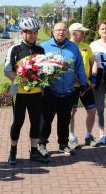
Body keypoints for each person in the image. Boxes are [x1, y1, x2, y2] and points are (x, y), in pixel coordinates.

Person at [38, 22, 88, 158]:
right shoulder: (44, 47)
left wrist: (83, 83)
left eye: (63, 30)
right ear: (53, 31)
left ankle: (63, 144)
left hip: (67, 91)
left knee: (64, 120)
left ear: (67, 32)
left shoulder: (73, 47)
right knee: (46, 120)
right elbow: (37, 66)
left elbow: (79, 66)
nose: (61, 32)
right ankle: (41, 144)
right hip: (49, 90)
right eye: (58, 30)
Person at [4, 17, 47, 164]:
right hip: (20, 93)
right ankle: (12, 151)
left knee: (36, 122)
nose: (33, 35)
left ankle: (34, 152)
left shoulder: (40, 50)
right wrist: (21, 80)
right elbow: (7, 70)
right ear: (22, 33)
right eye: (30, 33)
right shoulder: (15, 49)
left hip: (36, 93)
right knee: (18, 122)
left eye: (35, 32)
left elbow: (44, 70)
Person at [68, 23, 97, 149]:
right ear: (73, 33)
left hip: (86, 84)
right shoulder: (67, 47)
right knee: (71, 112)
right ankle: (71, 137)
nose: (84, 34)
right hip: (71, 85)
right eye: (81, 32)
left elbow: (93, 62)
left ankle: (88, 136)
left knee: (91, 110)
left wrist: (94, 77)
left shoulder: (87, 47)